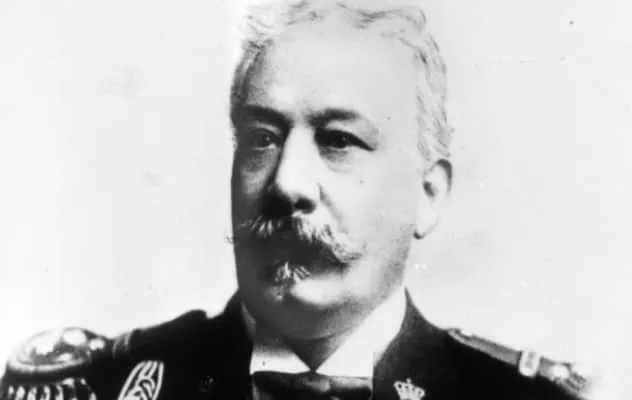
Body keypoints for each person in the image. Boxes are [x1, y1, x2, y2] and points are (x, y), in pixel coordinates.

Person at [0, 1, 596, 399]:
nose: (287, 184)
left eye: (339, 141)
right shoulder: (100, 387)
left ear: (428, 195)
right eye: (262, 139)